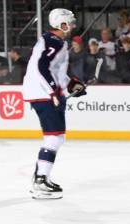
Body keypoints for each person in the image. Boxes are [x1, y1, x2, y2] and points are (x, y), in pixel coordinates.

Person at [22, 8, 86, 199]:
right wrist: (52, 91)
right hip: (43, 94)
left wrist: (71, 84)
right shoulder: (53, 42)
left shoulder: (56, 42)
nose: (73, 26)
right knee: (54, 138)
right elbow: (41, 67)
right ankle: (40, 180)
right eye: (70, 22)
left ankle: (41, 178)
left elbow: (54, 71)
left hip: (44, 93)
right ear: (62, 24)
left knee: (57, 137)